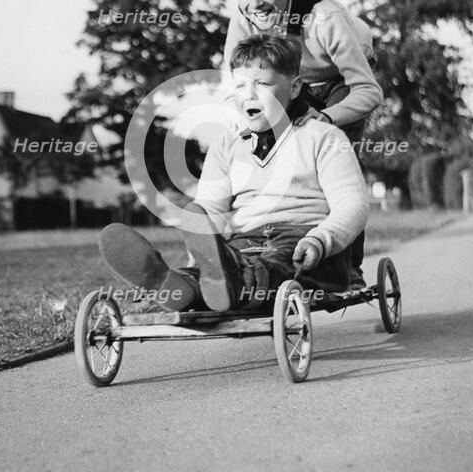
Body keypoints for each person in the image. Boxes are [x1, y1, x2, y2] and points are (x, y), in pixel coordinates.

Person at [99, 35, 369, 313]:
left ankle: (227, 282)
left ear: (295, 87)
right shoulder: (228, 143)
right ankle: (181, 286)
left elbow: (352, 204)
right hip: (246, 241)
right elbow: (210, 208)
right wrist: (201, 251)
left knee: (272, 267)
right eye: (240, 85)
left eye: (262, 83)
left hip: (306, 241)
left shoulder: (323, 137)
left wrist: (321, 239)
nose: (249, 94)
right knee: (228, 262)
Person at [221, 0, 382, 286]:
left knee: (337, 156)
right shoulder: (244, 20)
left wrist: (325, 117)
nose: (254, 2)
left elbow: (369, 92)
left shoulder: (325, 18)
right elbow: (231, 82)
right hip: (297, 81)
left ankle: (347, 268)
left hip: (340, 76)